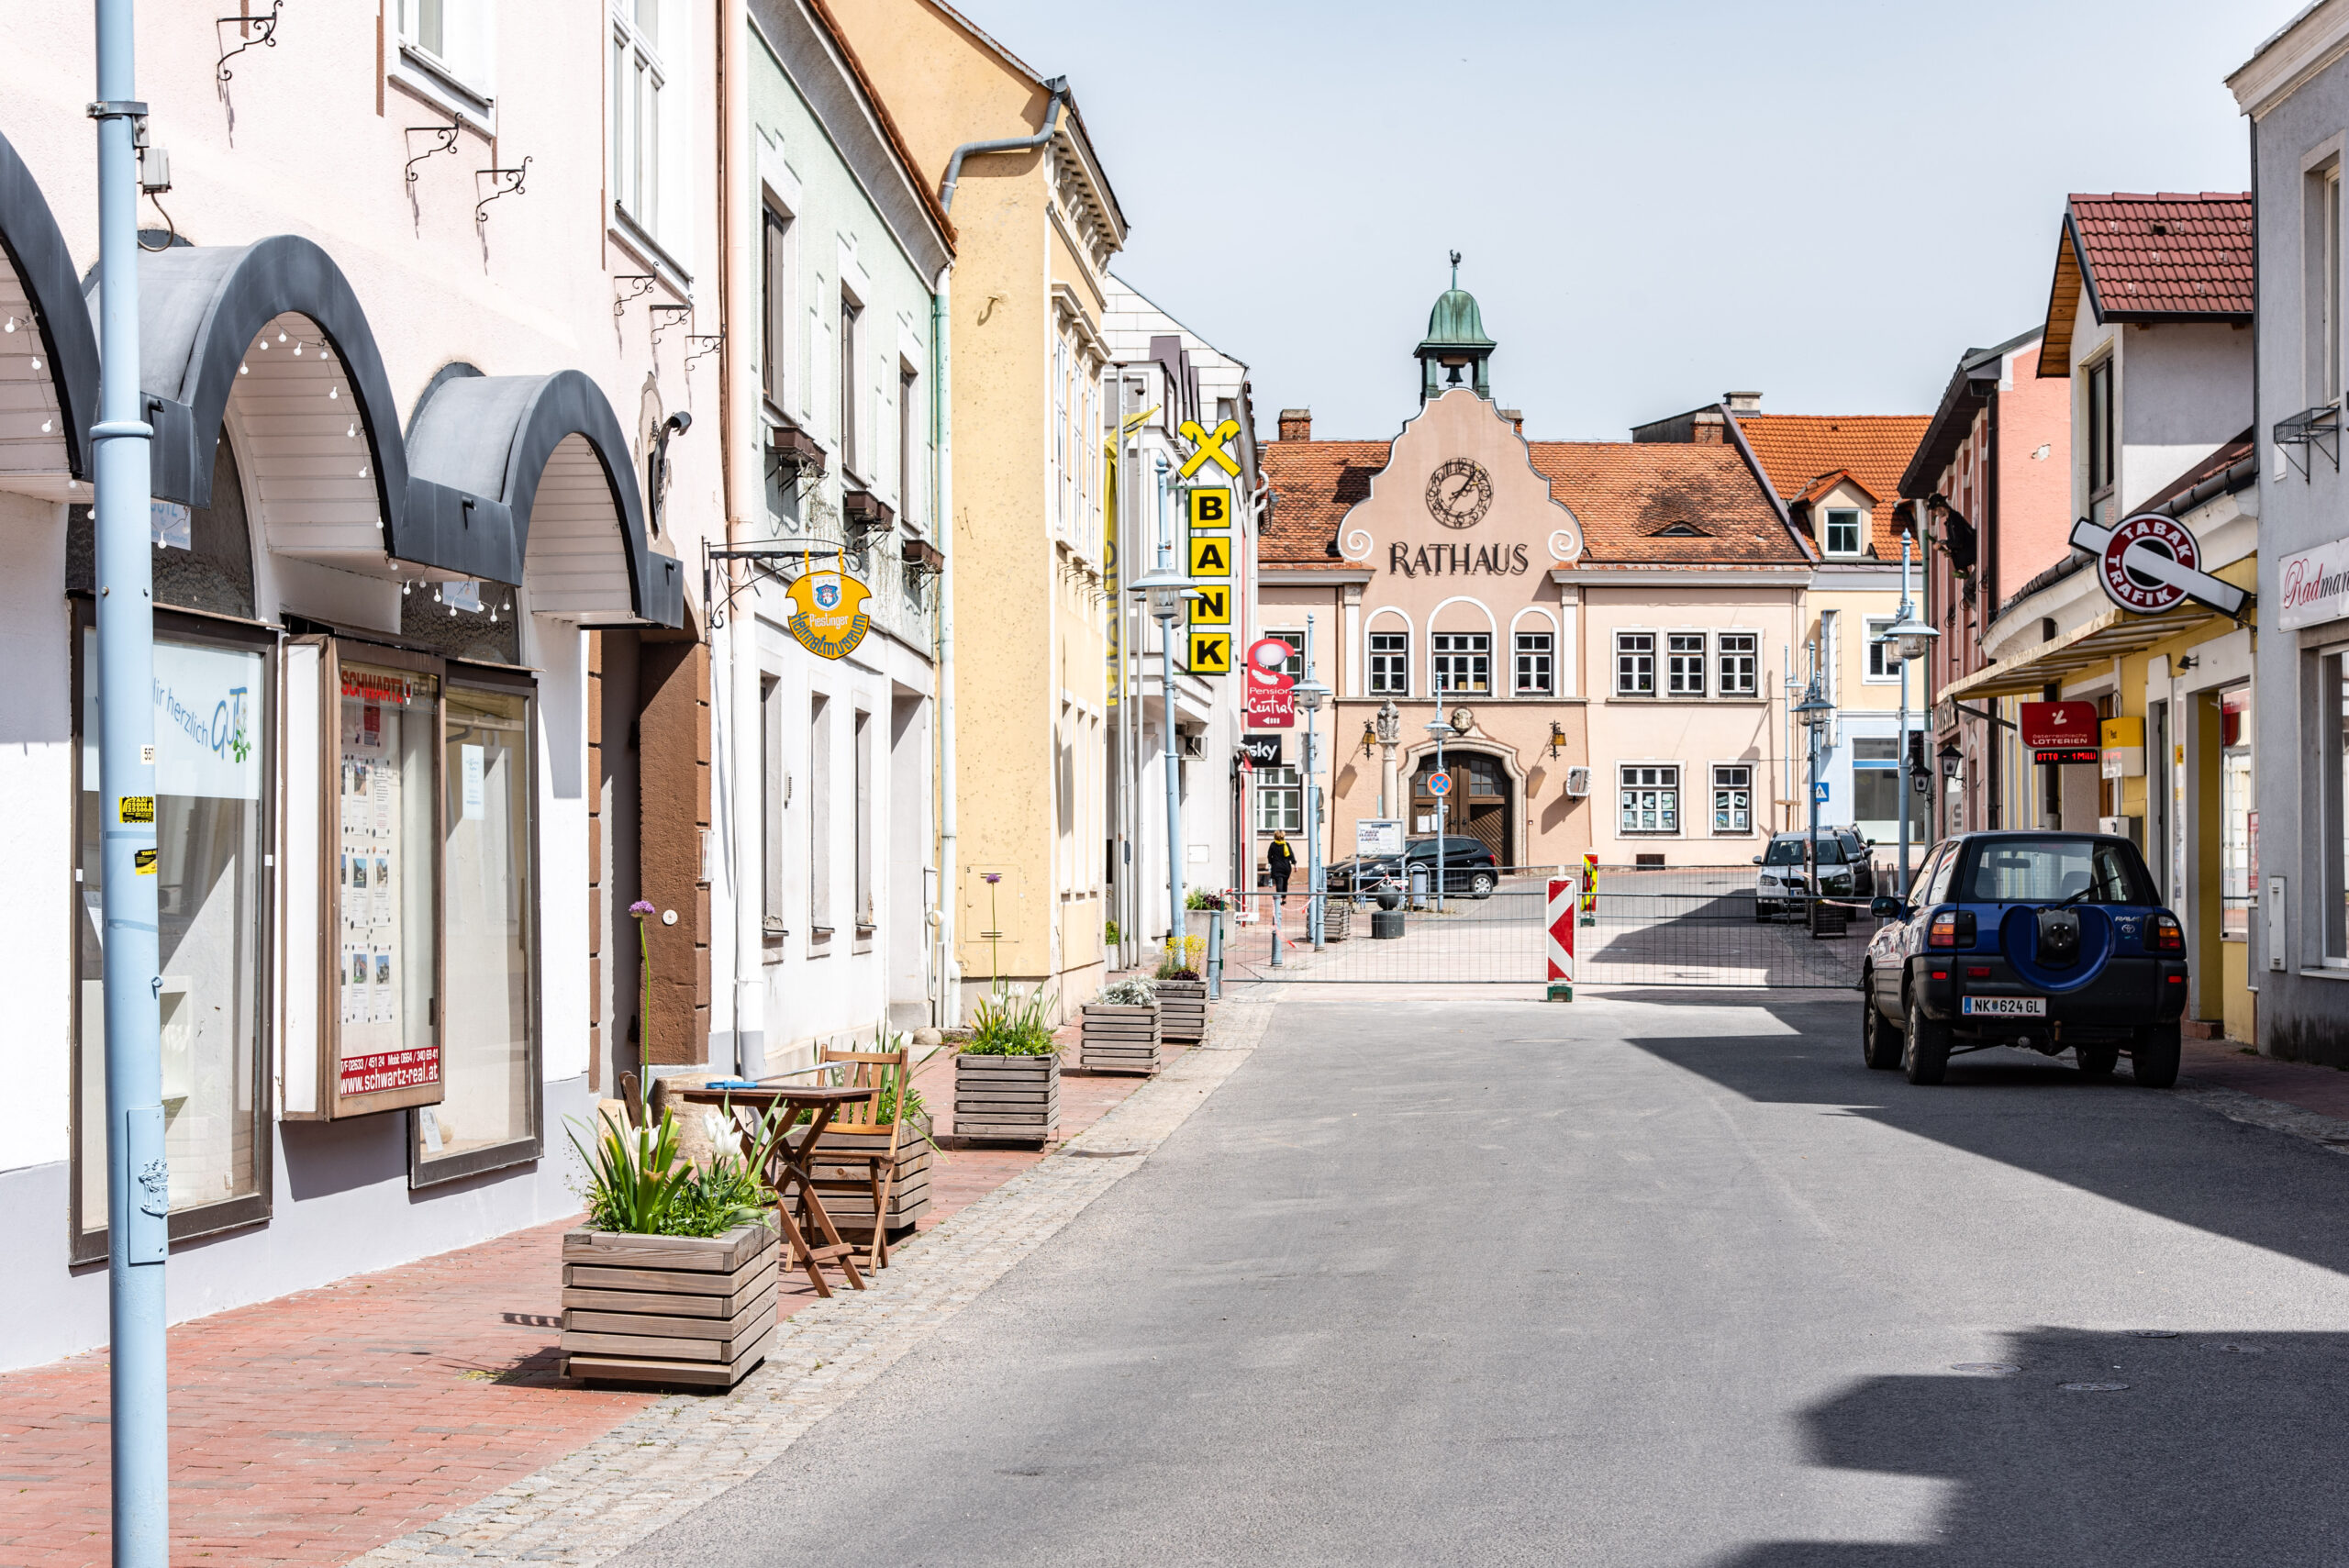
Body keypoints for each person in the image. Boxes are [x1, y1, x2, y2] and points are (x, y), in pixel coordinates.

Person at [1266, 831, 1295, 908]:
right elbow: (1291, 855)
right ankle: (1284, 898)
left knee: (1279, 883)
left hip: (1277, 867)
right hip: (1286, 867)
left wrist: (1272, 862)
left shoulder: (1273, 845)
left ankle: (1278, 899)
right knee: (1285, 883)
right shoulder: (1286, 844)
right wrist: (1294, 864)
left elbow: (1269, 856)